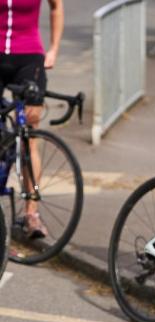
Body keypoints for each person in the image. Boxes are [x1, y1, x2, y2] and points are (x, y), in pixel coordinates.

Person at [0, 0, 64, 238]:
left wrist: (54, 49)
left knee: (29, 135)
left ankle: (31, 215)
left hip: (28, 58)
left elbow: (56, 7)